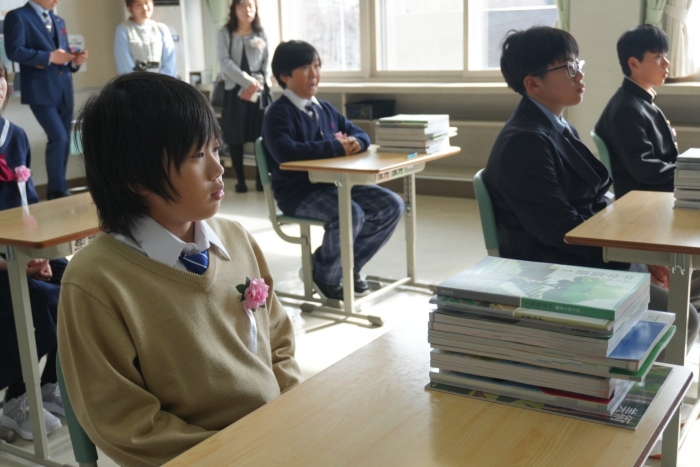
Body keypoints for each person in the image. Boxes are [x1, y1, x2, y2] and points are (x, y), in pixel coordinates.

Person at [57, 72, 302, 466]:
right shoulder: (95, 280)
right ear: (137, 176)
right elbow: (125, 424)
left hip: (277, 436)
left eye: (215, 149)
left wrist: (291, 412)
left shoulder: (235, 237)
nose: (217, 169)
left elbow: (279, 340)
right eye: (196, 156)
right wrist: (236, 454)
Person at [481, 26, 699, 348]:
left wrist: (637, 251)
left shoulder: (555, 124)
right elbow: (560, 230)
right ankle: (637, 376)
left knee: (683, 276)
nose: (580, 74)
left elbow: (592, 199)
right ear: (533, 84)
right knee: (685, 317)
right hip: (559, 271)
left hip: (584, 252)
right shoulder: (524, 142)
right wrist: (631, 255)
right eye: (568, 68)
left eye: (577, 64)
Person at [262, 40, 405, 301]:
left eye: (317, 66)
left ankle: (345, 269)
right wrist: (336, 147)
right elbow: (285, 151)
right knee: (350, 214)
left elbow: (359, 132)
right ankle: (325, 276)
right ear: (284, 76)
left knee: (391, 205)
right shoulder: (278, 113)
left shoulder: (324, 108)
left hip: (335, 185)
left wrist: (358, 142)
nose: (314, 73)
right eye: (305, 67)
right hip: (299, 193)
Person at [0, 56, 65, 441]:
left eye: (0, 79)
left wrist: (43, 255)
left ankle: (49, 381)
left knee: (76, 280)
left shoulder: (17, 136)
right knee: (40, 299)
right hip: (4, 262)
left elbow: (30, 209)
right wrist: (14, 265)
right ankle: (16, 397)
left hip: (21, 251)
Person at [4, 0, 88, 200]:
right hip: (39, 90)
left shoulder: (58, 20)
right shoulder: (18, 16)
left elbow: (62, 55)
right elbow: (14, 51)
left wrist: (74, 61)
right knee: (59, 137)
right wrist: (49, 57)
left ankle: (57, 189)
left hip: (64, 89)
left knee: (64, 139)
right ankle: (57, 191)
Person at [594, 25, 676, 199]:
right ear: (634, 63)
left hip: (655, 190)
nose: (666, 63)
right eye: (658, 57)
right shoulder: (627, 109)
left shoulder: (638, 100)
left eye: (665, 55)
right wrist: (689, 175)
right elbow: (645, 170)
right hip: (644, 197)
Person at [217, 0, 272, 193]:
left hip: (258, 90)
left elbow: (266, 65)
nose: (247, 9)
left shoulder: (261, 33)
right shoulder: (225, 33)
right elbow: (224, 62)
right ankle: (240, 180)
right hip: (234, 92)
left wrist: (256, 85)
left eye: (251, 5)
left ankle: (260, 180)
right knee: (235, 137)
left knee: (260, 136)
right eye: (242, 5)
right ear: (234, 9)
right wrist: (247, 82)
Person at [114, 0, 177, 77]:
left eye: (147, 2)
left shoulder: (161, 29)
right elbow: (125, 65)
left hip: (162, 82)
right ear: (129, 8)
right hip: (135, 82)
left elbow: (170, 64)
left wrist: (161, 82)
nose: (145, 8)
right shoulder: (123, 30)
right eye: (138, 4)